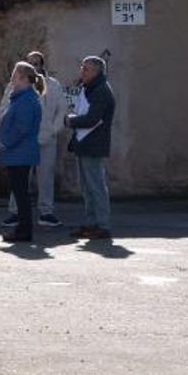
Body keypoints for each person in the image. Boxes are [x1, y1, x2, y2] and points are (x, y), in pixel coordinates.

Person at [0, 51, 67, 228]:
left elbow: (62, 110)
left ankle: (46, 211)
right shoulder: (14, 86)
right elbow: (4, 109)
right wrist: (9, 132)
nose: (33, 66)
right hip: (23, 141)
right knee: (20, 179)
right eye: (30, 63)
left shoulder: (53, 85)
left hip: (46, 138)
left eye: (36, 63)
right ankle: (15, 212)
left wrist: (53, 130)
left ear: (42, 65)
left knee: (46, 177)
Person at [65, 56, 116, 240]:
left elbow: (92, 119)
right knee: (88, 188)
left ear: (96, 71)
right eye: (82, 67)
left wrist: (71, 121)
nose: (82, 71)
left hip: (93, 144)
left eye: (85, 68)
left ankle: (102, 225)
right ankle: (92, 223)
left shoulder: (100, 90)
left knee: (96, 186)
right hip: (86, 143)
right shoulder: (91, 88)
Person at [0, 62, 44, 243]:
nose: (11, 78)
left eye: (14, 75)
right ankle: (22, 228)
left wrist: (5, 143)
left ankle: (24, 230)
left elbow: (22, 129)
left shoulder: (26, 100)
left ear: (23, 78)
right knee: (20, 193)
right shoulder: (22, 98)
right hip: (19, 153)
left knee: (21, 194)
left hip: (20, 153)